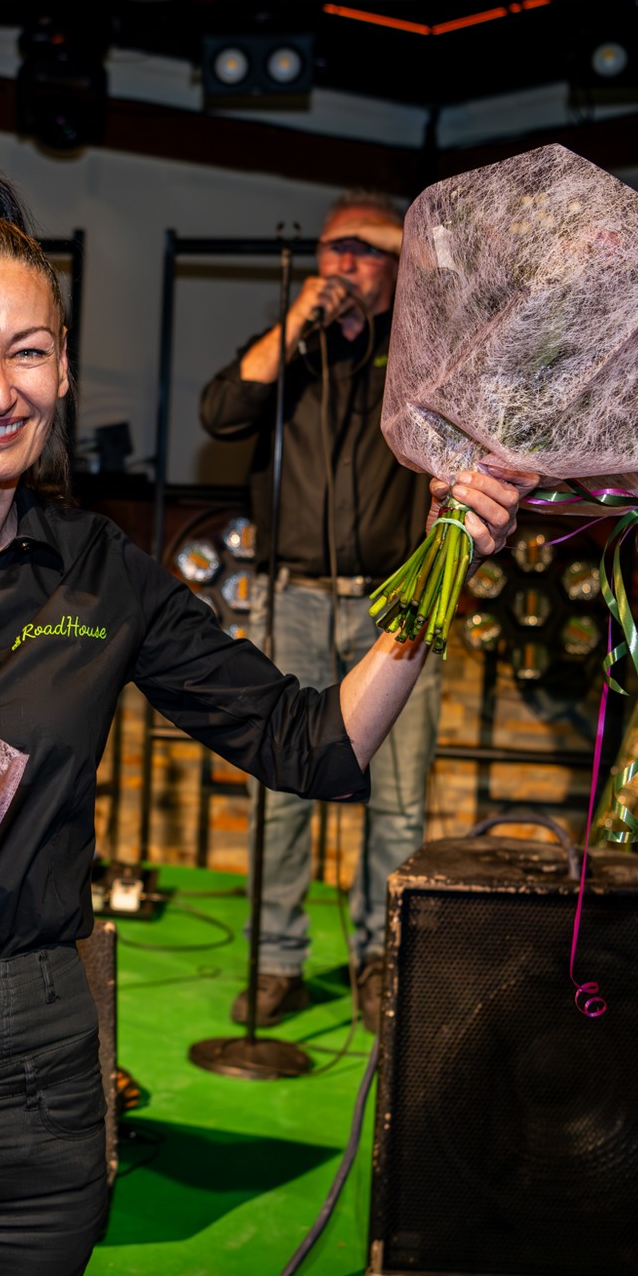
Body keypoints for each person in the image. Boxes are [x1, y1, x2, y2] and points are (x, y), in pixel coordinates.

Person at [0, 171, 530, 1276]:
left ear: (63, 368)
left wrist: (447, 559)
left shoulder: (102, 574)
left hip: (43, 1082)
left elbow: (312, 746)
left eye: (28, 353)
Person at [199, 190, 435, 1032]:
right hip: (291, 597)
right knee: (282, 790)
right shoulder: (292, 352)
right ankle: (276, 964)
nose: (344, 262)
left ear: (399, 264)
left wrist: (403, 246)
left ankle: (381, 962)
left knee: (397, 801)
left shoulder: (420, 350)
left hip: (396, 606)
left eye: (365, 249)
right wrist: (300, 316)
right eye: (333, 247)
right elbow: (220, 411)